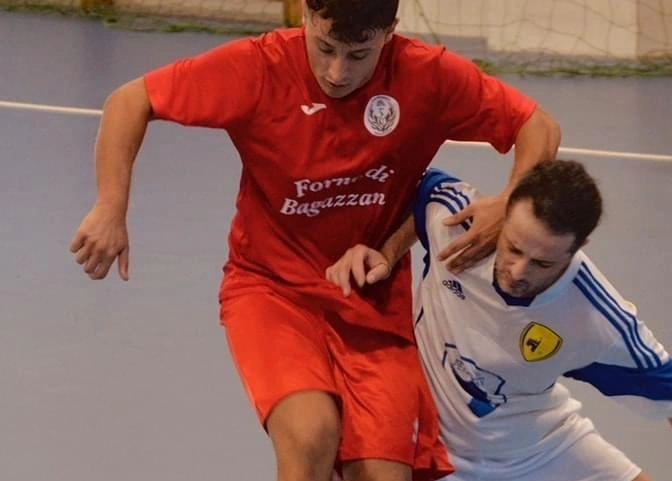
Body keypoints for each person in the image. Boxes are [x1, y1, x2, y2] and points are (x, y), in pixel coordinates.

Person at [67, 0, 562, 480]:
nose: (338, 72)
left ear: (389, 32)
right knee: (310, 436)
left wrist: (509, 202)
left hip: (373, 303)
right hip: (271, 290)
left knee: (383, 474)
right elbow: (130, 100)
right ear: (306, 16)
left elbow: (537, 125)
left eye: (359, 54)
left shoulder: (427, 76)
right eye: (325, 48)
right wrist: (111, 206)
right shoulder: (258, 69)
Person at [326, 160, 672, 481]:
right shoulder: (457, 221)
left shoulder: (595, 315)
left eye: (541, 262)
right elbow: (412, 187)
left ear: (578, 249)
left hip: (540, 445)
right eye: (513, 248)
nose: (518, 271)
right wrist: (388, 251)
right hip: (439, 450)